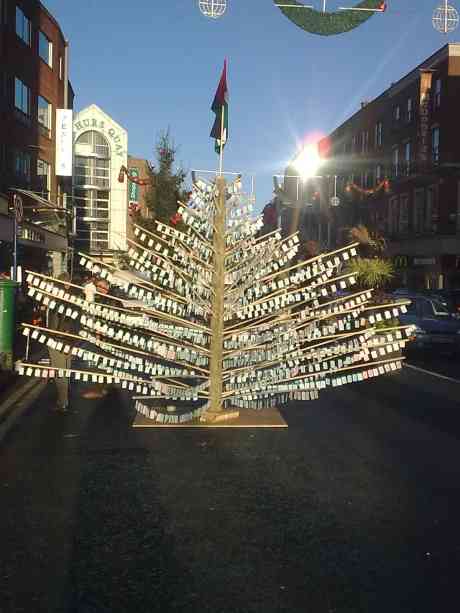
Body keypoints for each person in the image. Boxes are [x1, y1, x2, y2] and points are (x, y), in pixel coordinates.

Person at [47, 271, 77, 412]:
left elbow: (57, 321)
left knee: (60, 371)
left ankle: (63, 401)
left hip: (57, 339)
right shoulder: (74, 298)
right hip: (69, 340)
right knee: (66, 368)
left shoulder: (56, 300)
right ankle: (65, 397)